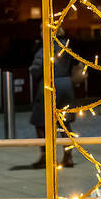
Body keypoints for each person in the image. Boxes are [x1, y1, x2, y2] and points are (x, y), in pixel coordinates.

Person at [27, 37, 75, 169]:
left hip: (49, 86)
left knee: (40, 122)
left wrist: (32, 71)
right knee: (65, 123)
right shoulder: (66, 47)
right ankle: (68, 156)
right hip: (65, 85)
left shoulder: (45, 49)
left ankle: (46, 156)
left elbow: (36, 69)